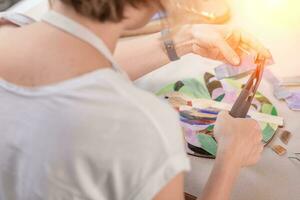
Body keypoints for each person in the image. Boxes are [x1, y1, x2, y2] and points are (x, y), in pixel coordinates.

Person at [0, 0, 269, 199]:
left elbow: (65, 67)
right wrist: (230, 158)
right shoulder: (144, 127)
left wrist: (182, 41)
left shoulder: (8, 28)